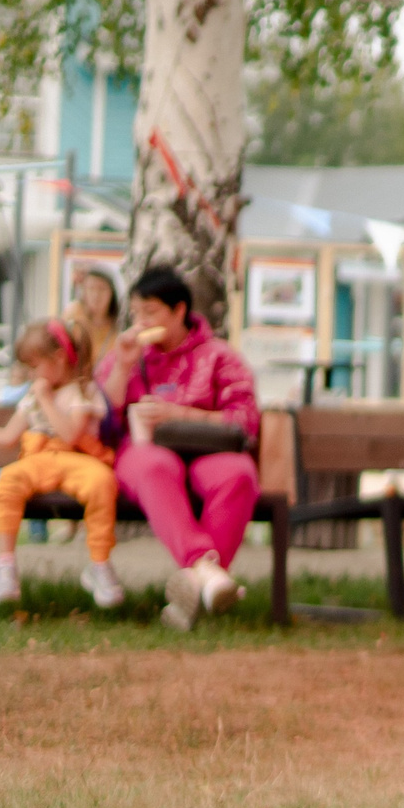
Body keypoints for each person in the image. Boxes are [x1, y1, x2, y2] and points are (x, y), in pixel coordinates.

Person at [99, 265, 261, 632]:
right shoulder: (127, 355)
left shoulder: (220, 356)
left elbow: (245, 419)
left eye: (151, 312)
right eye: (137, 313)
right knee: (155, 466)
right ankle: (207, 571)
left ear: (179, 311)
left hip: (209, 451)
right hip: (145, 454)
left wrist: (181, 415)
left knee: (238, 474)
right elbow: (103, 420)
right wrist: (122, 368)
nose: (141, 322)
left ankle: (193, 586)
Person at [0, 321, 123, 609]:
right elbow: (7, 437)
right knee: (8, 480)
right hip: (39, 460)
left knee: (102, 482)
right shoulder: (33, 397)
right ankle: (6, 567)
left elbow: (71, 435)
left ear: (58, 358)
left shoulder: (83, 391)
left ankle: (99, 566)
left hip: (78, 460)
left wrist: (46, 400)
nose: (32, 376)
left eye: (35, 367)